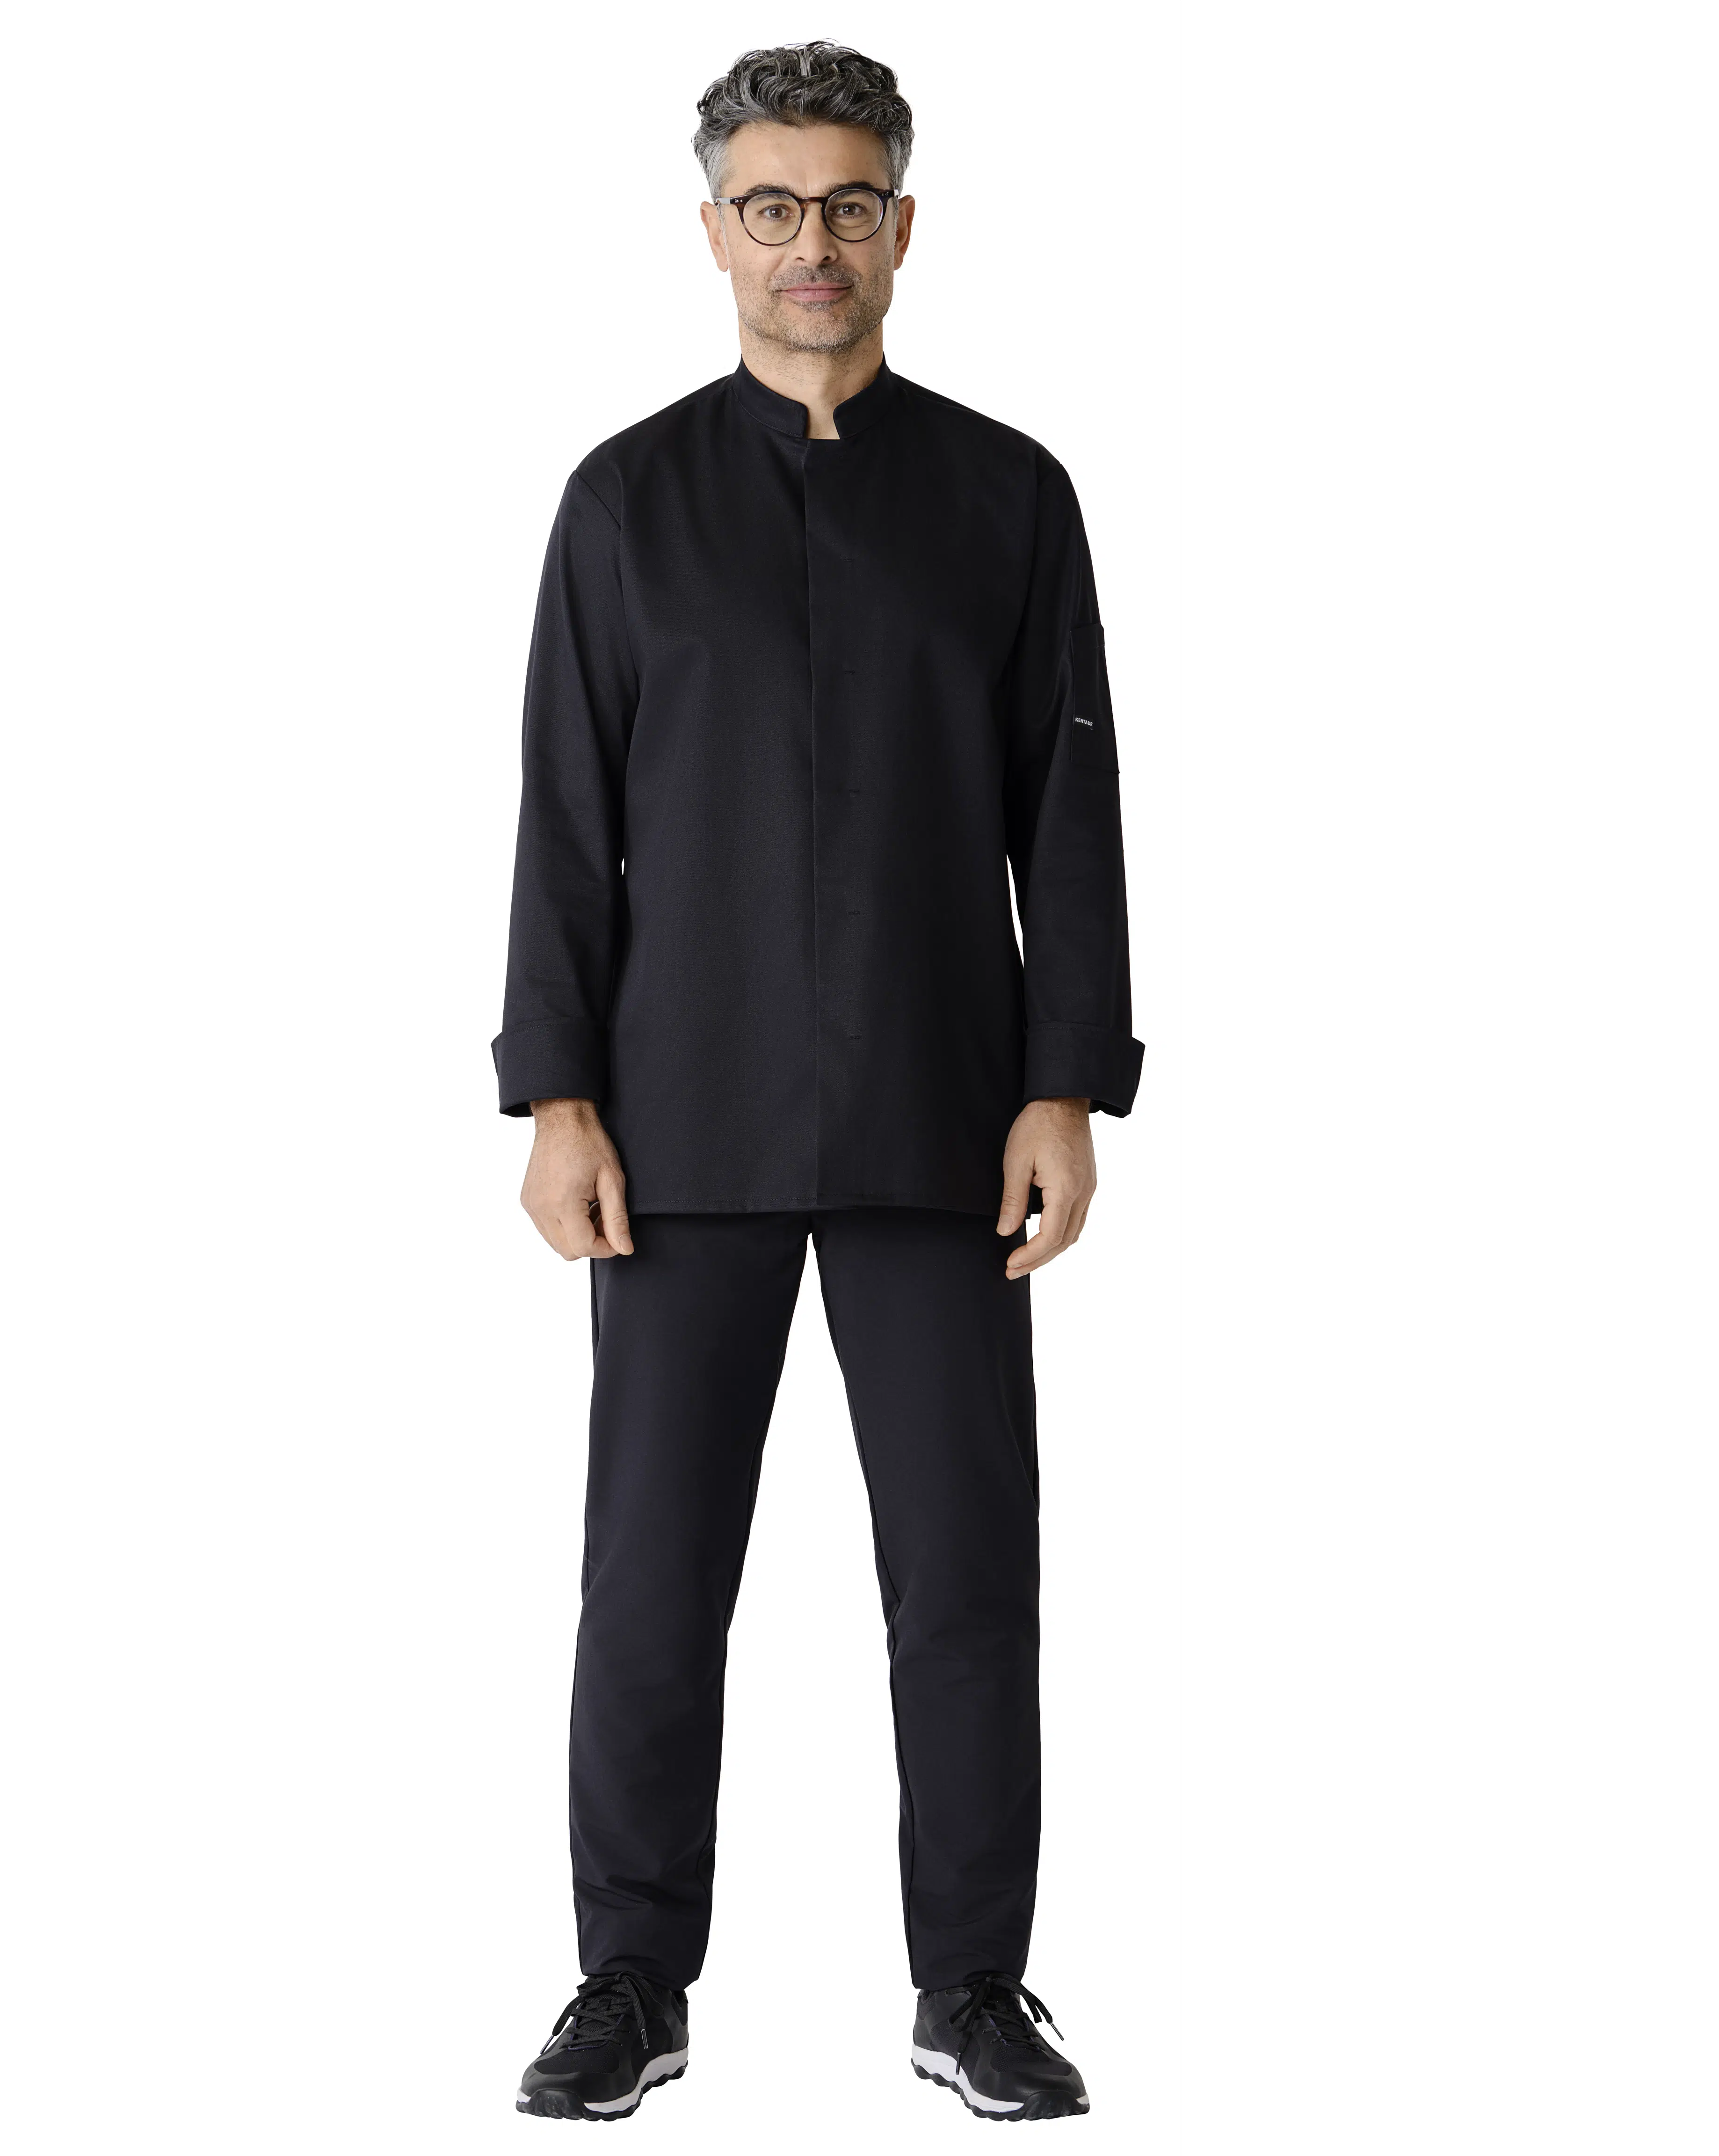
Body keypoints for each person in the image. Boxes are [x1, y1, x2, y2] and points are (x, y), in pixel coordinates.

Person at [495, 39, 1142, 2126]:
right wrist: (554, 1091)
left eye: (848, 205)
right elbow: (563, 818)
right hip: (672, 1122)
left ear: (904, 227)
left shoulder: (1012, 497)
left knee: (966, 1576)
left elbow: (1070, 816)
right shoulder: (622, 502)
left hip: (945, 1121)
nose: (812, 246)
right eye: (771, 207)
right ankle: (628, 1977)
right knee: (649, 1578)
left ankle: (975, 1986)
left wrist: (1067, 1083)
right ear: (713, 233)